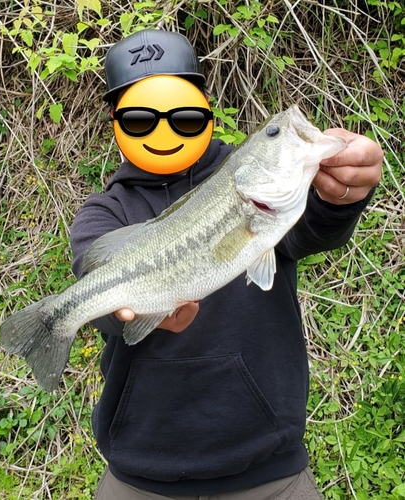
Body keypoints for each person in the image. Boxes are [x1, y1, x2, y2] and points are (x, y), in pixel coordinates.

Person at [70, 30, 383, 500]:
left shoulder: (250, 187)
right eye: (138, 119)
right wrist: (124, 313)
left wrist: (341, 197)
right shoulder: (103, 213)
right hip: (140, 475)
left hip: (272, 474)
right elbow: (101, 302)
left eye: (186, 116)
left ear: (207, 110)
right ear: (115, 122)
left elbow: (314, 228)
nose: (164, 129)